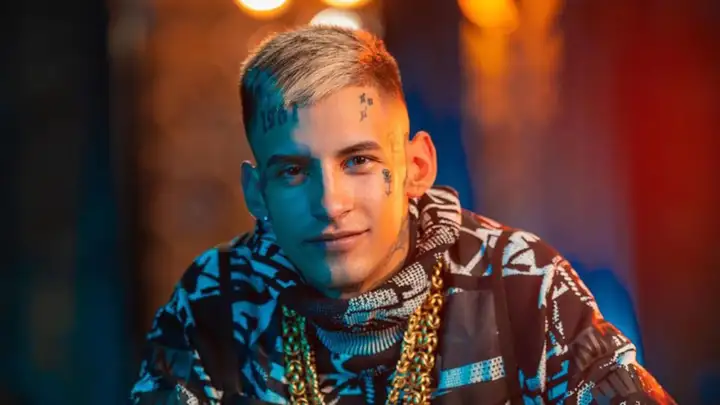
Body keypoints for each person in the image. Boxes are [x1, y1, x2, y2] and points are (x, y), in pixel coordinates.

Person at [130, 26, 676, 405]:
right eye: (293, 171)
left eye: (359, 161)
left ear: (417, 167)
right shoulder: (215, 301)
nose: (330, 203)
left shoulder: (521, 282)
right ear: (257, 192)